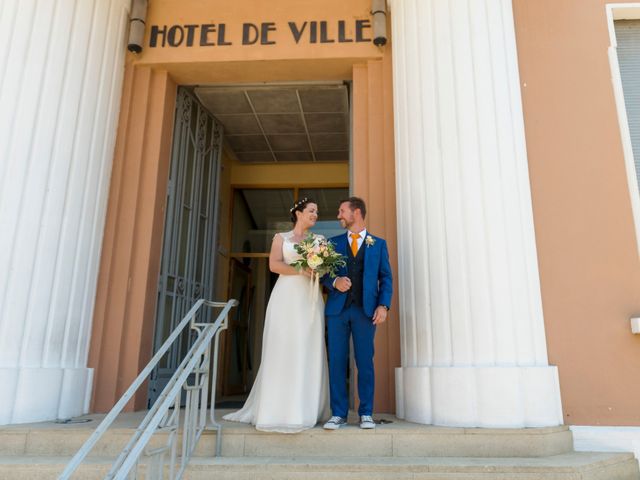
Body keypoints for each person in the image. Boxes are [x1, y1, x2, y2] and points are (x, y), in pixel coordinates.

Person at [222, 198, 329, 433]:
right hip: (285, 298)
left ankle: (306, 409)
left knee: (307, 347)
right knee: (282, 347)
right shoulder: (281, 238)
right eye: (311, 210)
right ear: (298, 213)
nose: (315, 215)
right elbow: (274, 265)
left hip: (310, 299)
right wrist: (301, 268)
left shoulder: (319, 241)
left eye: (317, 212)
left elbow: (324, 268)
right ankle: (276, 409)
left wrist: (319, 267)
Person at [321, 197, 393, 430]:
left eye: (342, 211)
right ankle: (338, 414)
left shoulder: (378, 244)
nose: (339, 215)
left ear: (357, 212)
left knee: (365, 362)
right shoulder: (333, 243)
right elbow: (322, 274)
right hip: (337, 312)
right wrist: (335, 281)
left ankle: (366, 413)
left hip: (365, 312)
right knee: (337, 361)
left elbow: (386, 278)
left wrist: (383, 306)